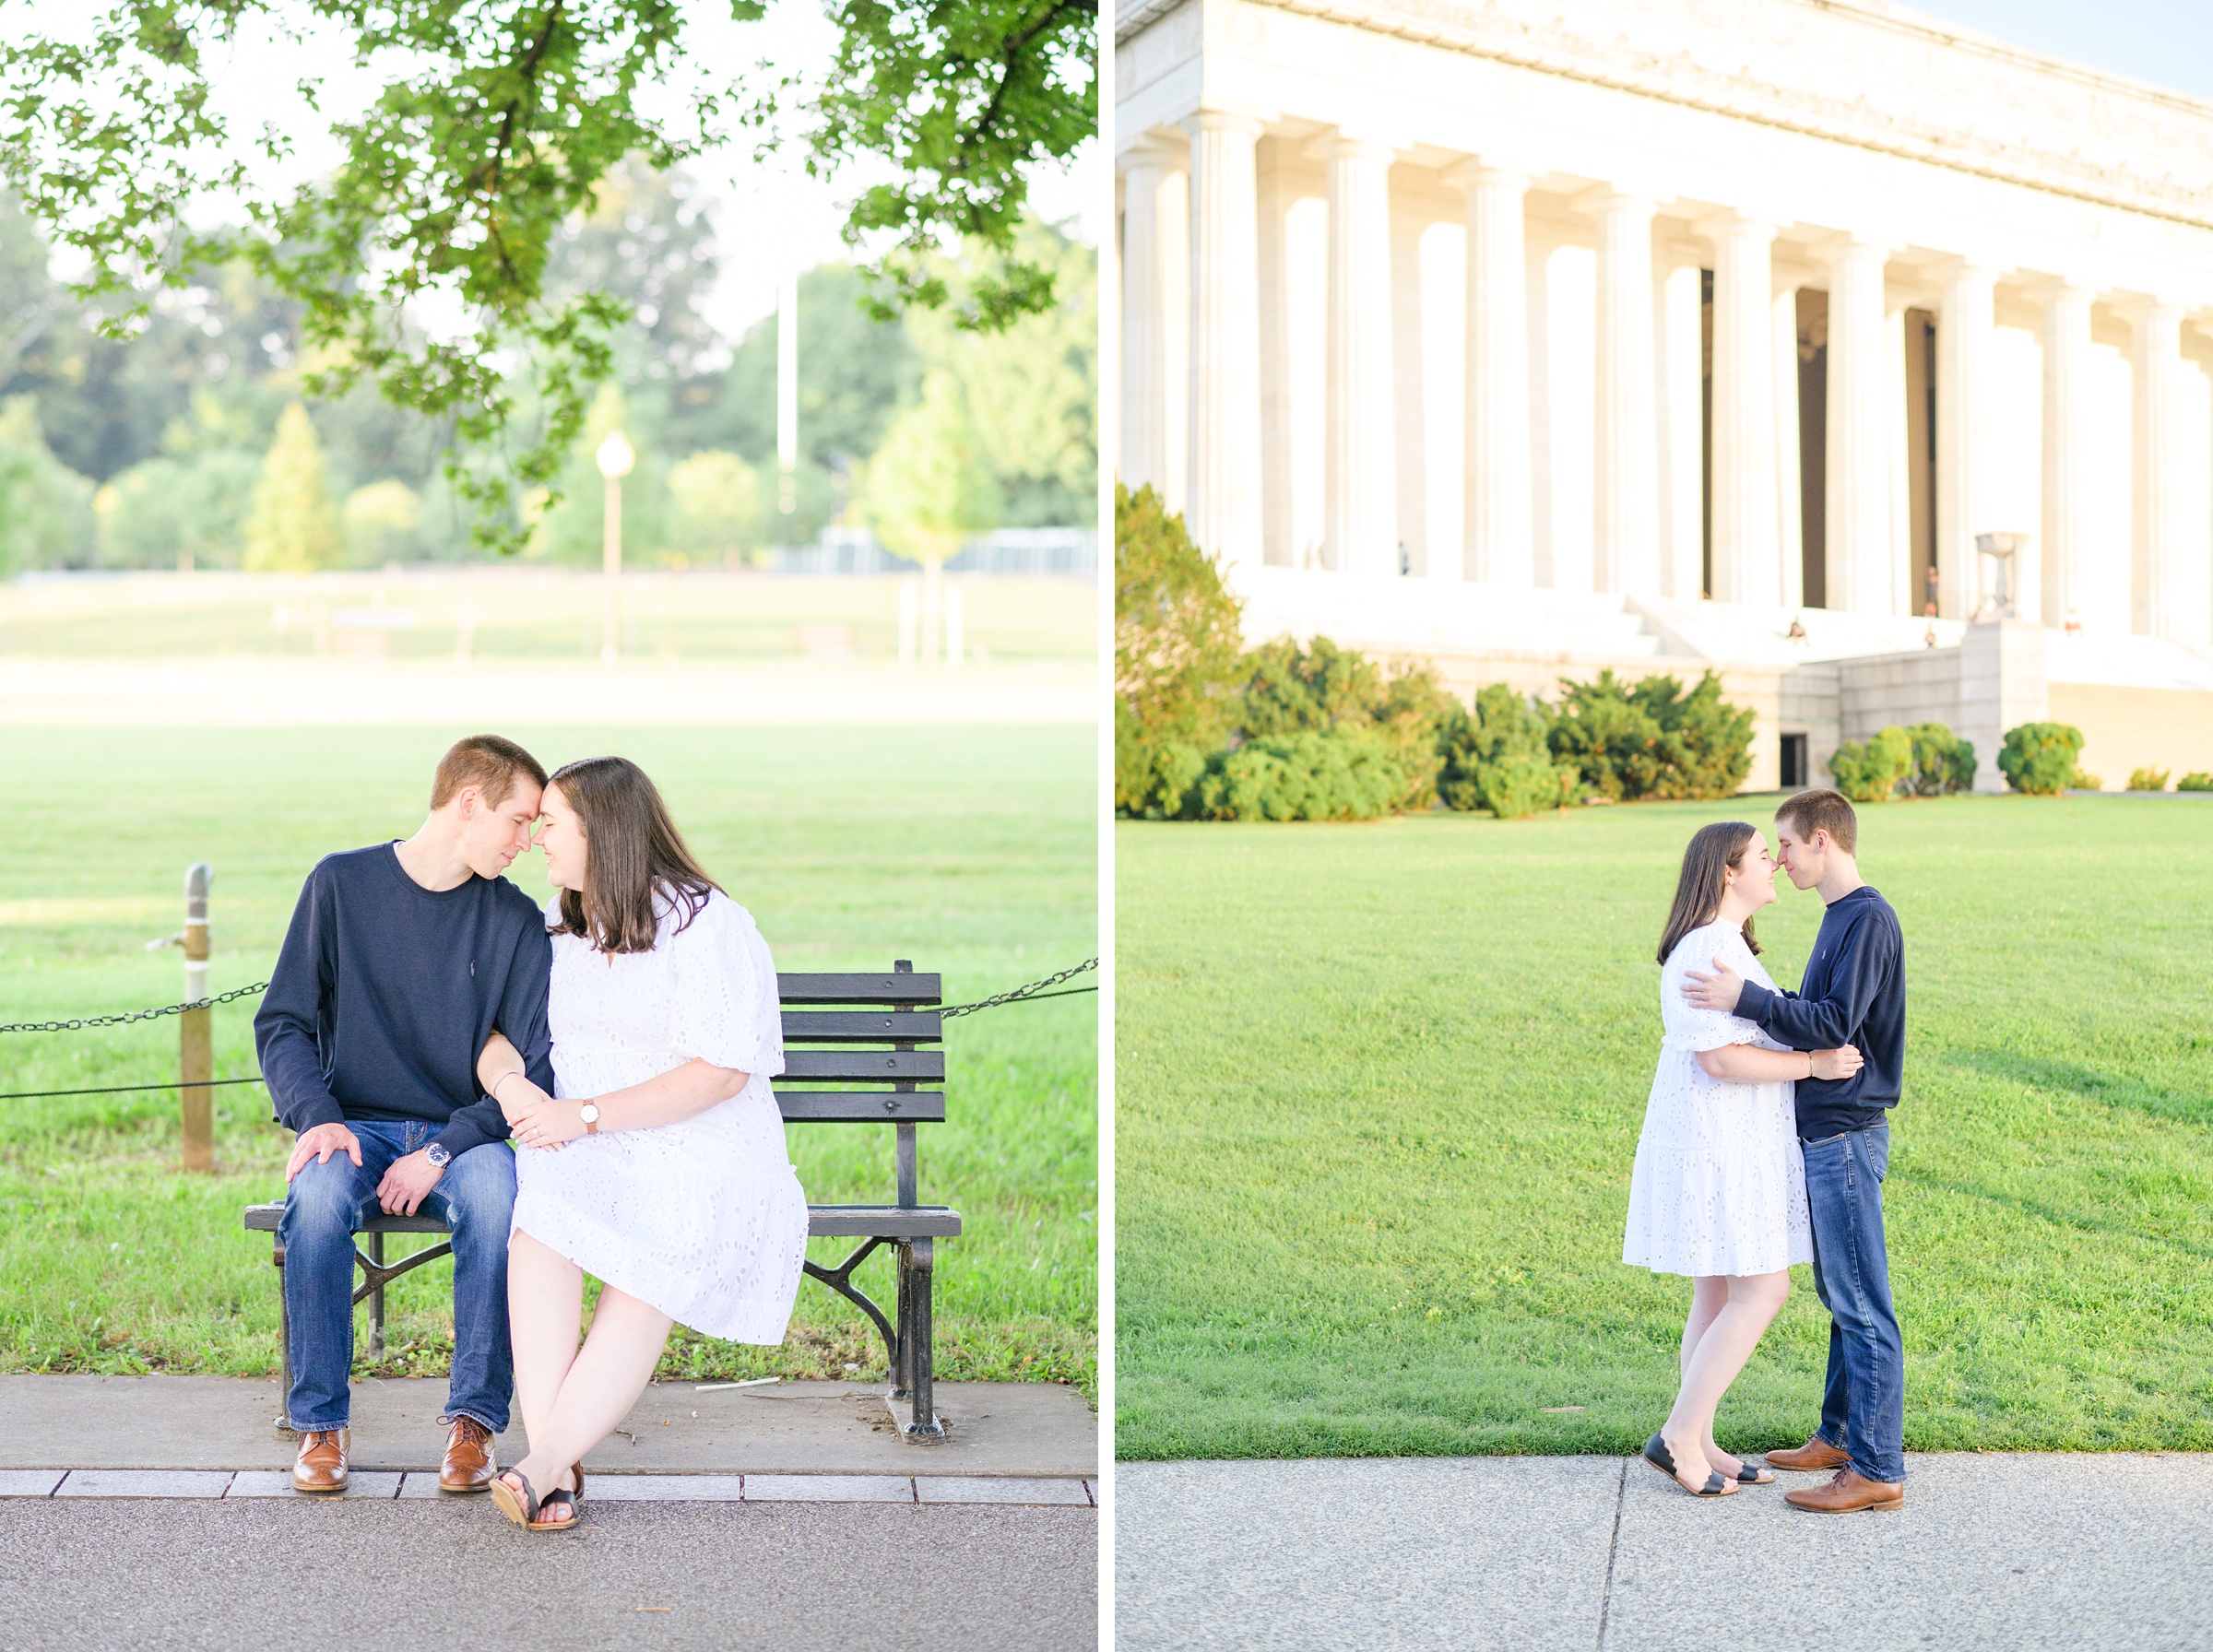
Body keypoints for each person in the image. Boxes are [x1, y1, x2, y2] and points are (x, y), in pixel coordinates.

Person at [473, 755, 809, 1532]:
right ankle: (549, 1466)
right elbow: (494, 1028)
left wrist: (582, 1115)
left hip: (699, 1145)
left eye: (550, 824)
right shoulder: (562, 925)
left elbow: (724, 1074)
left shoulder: (705, 923)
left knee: (653, 1249)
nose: (535, 841)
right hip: (585, 1140)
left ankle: (545, 1463)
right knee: (539, 1228)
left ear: (605, 833)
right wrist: (526, 1095)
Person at [256, 734, 553, 1494]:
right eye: (520, 820)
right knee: (317, 1200)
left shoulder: (515, 921)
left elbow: (531, 1067)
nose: (529, 840)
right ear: (467, 803)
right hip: (352, 1126)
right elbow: (283, 1020)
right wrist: (316, 1117)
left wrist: (445, 1150)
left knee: (497, 1199)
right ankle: (321, 1423)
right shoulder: (340, 886)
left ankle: (475, 1423)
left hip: (466, 1131)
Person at [1684, 787, 1908, 1514]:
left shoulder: (1867, 917)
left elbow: (1835, 1022)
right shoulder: (1839, 916)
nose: (1778, 860)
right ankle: (1840, 1435)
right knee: (1840, 1295)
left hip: (1845, 1131)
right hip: (1825, 1129)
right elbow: (1814, 1019)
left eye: (1784, 844)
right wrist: (1759, 1006)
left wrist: (1744, 1000)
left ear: (1821, 839)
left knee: (1861, 1302)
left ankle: (1876, 1468)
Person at [1625, 820, 1864, 1498]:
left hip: (1728, 1135)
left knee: (1720, 1290)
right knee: (1764, 1288)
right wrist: (1814, 1064)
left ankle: (1699, 1439)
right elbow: (1720, 1057)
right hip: (1720, 1140)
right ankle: (1678, 1435)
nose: (1776, 862)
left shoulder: (1723, 942)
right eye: (1764, 854)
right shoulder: (1708, 946)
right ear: (1729, 871)